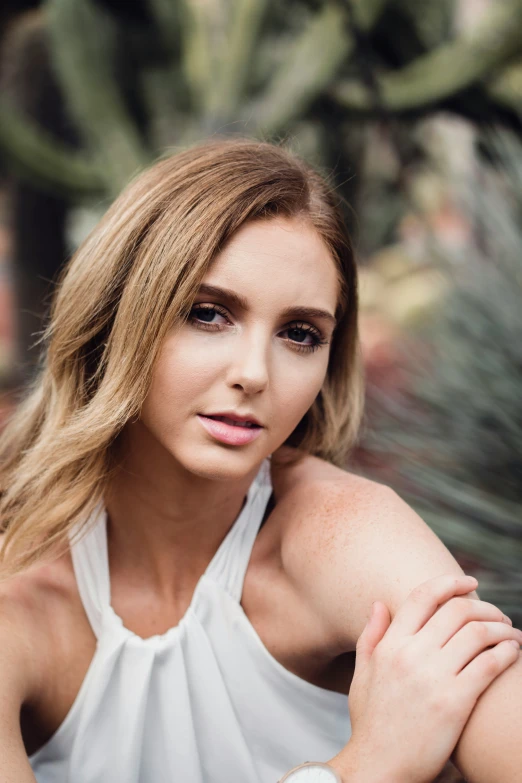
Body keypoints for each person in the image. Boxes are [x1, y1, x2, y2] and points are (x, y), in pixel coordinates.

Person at [0, 139, 520, 783]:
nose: (253, 374)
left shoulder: (344, 533)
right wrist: (365, 767)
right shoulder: (18, 593)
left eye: (300, 333)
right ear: (115, 316)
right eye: (208, 313)